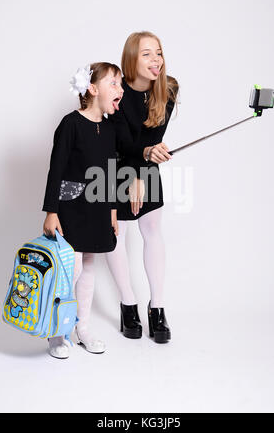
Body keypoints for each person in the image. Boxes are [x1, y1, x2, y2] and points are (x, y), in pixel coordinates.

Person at [42, 62, 123, 358]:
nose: (120, 89)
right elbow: (56, 169)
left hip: (99, 209)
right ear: (92, 89)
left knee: (89, 267)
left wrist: (113, 211)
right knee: (71, 269)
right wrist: (51, 211)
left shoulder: (110, 129)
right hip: (71, 208)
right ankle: (57, 333)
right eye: (114, 83)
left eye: (121, 85)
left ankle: (82, 328)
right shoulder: (70, 124)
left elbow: (112, 172)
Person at [105, 31, 179, 344]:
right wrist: (133, 174)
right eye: (147, 54)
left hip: (145, 165)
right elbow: (116, 142)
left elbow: (152, 137)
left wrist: (145, 164)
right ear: (132, 59)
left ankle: (157, 307)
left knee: (151, 227)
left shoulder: (169, 88)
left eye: (158, 53)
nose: (156, 60)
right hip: (113, 165)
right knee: (116, 231)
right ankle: (127, 303)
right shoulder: (115, 91)